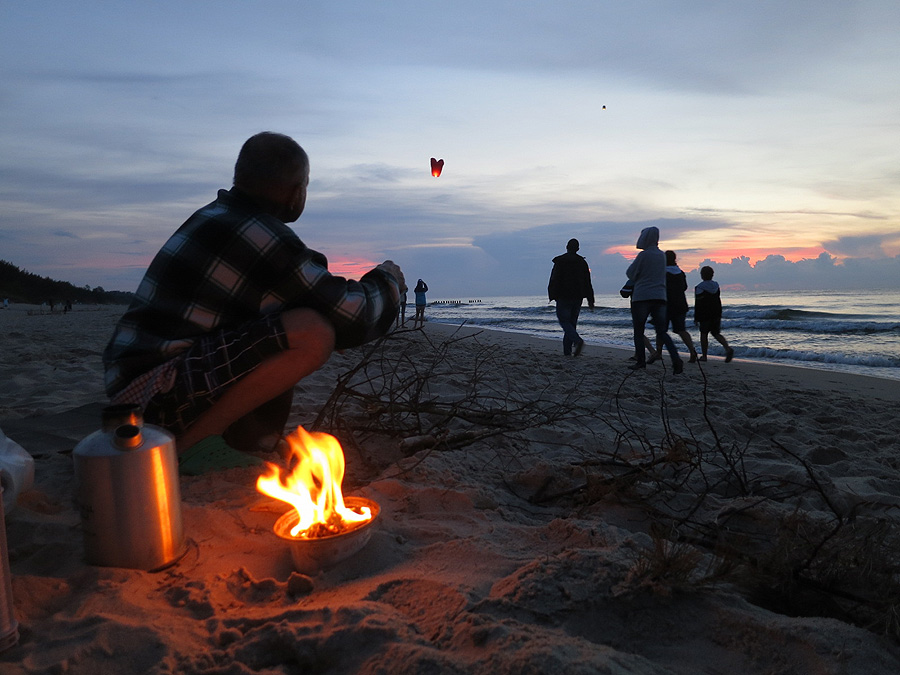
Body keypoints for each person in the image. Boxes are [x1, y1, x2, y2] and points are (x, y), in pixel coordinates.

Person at [103, 132, 405, 475]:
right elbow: (353, 316)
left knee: (287, 322)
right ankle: (192, 445)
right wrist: (387, 279)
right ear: (296, 191)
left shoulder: (219, 215)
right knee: (312, 332)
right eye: (305, 185)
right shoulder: (258, 233)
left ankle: (231, 439)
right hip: (153, 397)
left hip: (137, 391)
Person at [625, 227, 683, 373]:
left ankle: (640, 361)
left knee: (639, 330)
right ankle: (676, 358)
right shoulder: (662, 256)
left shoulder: (643, 255)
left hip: (642, 296)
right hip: (660, 296)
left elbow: (630, 273)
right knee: (661, 331)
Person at [649, 251, 698, 363]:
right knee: (681, 330)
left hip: (665, 305)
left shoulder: (662, 273)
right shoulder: (680, 273)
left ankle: (659, 353)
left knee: (661, 330)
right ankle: (692, 351)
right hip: (680, 304)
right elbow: (684, 287)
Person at [548, 238, 595, 356]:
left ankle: (577, 341)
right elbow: (587, 282)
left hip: (563, 296)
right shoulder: (582, 262)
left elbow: (554, 278)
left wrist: (552, 294)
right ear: (578, 249)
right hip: (577, 296)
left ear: (567, 247)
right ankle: (567, 351)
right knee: (572, 323)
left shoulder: (560, 261)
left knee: (564, 321)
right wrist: (590, 300)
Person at [694, 265, 734, 363]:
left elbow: (698, 303)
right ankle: (727, 348)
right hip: (716, 312)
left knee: (704, 334)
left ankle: (704, 356)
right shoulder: (716, 286)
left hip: (704, 314)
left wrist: (696, 317)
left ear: (702, 275)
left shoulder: (699, 287)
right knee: (716, 333)